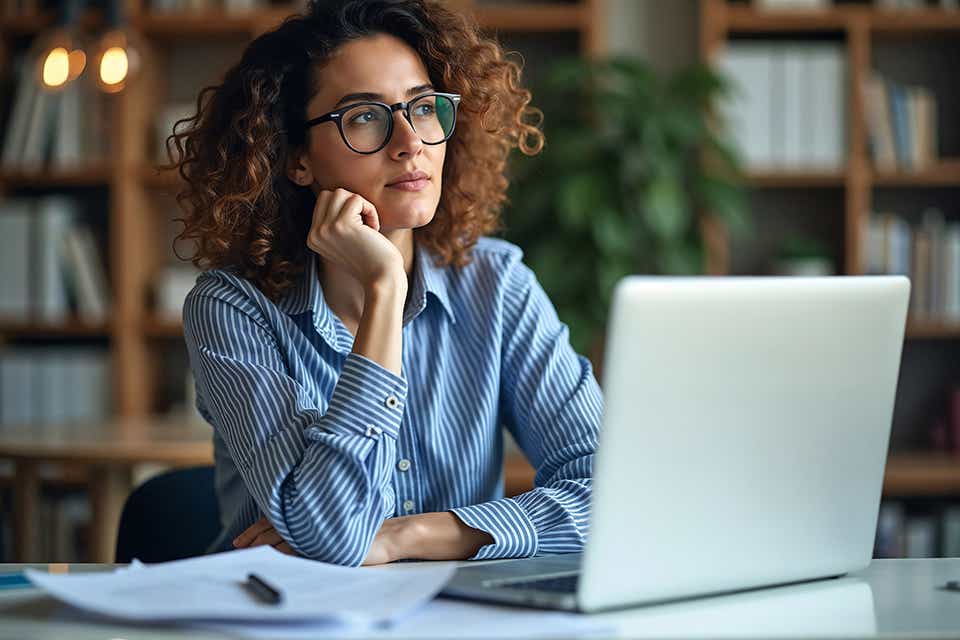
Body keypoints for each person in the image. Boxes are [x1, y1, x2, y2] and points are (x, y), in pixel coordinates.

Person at [173, 0, 602, 567]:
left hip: (458, 618)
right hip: (289, 616)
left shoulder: (497, 284)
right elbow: (332, 532)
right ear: (297, 159)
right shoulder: (234, 309)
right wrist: (384, 291)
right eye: (365, 117)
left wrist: (406, 536)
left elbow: (609, 492)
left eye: (423, 108)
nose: (410, 142)